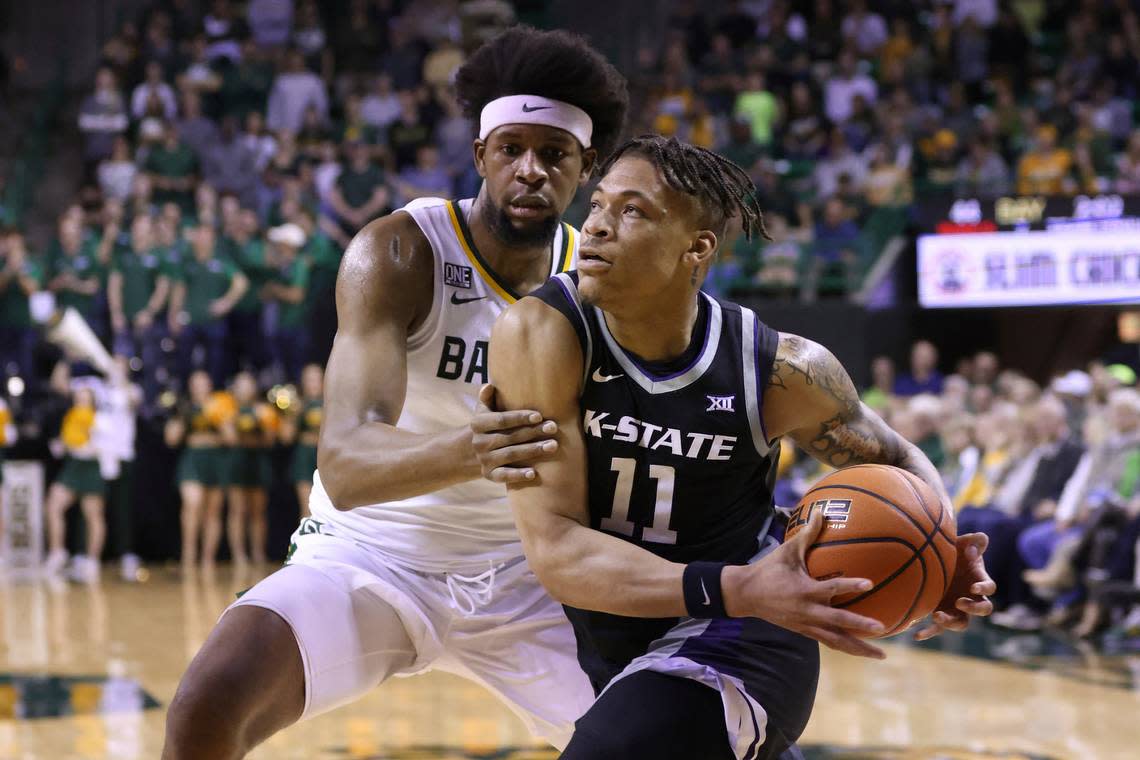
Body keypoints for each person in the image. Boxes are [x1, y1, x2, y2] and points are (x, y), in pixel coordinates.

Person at [162, 27, 629, 760]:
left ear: (588, 167)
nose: (530, 171)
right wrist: (477, 448)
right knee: (208, 702)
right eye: (511, 150)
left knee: (670, 734)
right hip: (373, 554)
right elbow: (345, 466)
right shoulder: (401, 252)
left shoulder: (600, 284)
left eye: (554, 154)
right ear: (481, 155)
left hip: (526, 572)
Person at [481, 136, 995, 759]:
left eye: (633, 211)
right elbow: (555, 551)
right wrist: (732, 586)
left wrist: (942, 545)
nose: (594, 227)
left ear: (696, 248)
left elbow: (895, 458)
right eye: (598, 205)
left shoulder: (779, 369)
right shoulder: (541, 333)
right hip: (633, 626)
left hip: (748, 628)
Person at [164, 370, 232, 572]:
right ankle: (188, 556)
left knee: (213, 512)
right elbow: (171, 439)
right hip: (192, 460)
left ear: (209, 385)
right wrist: (179, 417)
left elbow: (231, 438)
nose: (199, 388)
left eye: (203, 383)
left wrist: (218, 417)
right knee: (192, 504)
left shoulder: (220, 405)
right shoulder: (185, 406)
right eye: (195, 384)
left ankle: (207, 559)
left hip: (215, 460)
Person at [43, 387, 107, 583]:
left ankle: (92, 561)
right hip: (73, 466)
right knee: (53, 505)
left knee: (93, 514)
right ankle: (57, 554)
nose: (81, 403)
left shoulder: (101, 421)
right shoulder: (69, 418)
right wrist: (63, 443)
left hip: (92, 467)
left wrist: (89, 436)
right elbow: (61, 448)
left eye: (85, 400)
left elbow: (106, 447)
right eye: (78, 399)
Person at [224, 372, 273, 567]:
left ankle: (258, 553)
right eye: (241, 385)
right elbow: (231, 439)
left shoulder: (263, 410)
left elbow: (269, 440)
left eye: (248, 385)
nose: (245, 389)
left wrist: (263, 423)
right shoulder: (229, 410)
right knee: (237, 510)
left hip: (258, 461)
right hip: (237, 461)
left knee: (258, 511)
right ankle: (238, 555)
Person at [280, 362, 323, 518]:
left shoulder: (332, 403)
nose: (313, 383)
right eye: (309, 379)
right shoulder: (298, 405)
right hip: (304, 457)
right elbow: (286, 438)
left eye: (316, 379)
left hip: (325, 456)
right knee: (307, 508)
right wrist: (292, 412)